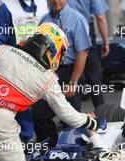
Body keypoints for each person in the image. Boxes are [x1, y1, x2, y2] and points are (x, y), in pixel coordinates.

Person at [0, 22, 100, 161]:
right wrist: (90, 122)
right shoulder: (48, 79)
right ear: (53, 49)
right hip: (2, 122)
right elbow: (66, 114)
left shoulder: (3, 50)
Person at [32, 0, 92, 147]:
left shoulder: (77, 19)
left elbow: (83, 52)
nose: (56, 1)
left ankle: (70, 158)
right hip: (48, 73)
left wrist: (73, 82)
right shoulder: (44, 21)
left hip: (69, 72)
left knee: (70, 120)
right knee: (39, 115)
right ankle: (49, 153)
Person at [0, 0, 49, 145]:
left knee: (44, 102)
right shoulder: (7, 7)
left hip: (44, 63)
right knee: (23, 101)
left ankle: (45, 136)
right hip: (18, 63)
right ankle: (27, 136)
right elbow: (0, 40)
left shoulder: (44, 2)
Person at [68, 0, 110, 108]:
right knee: (94, 77)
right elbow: (100, 18)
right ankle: (101, 113)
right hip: (86, 31)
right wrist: (106, 41)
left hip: (67, 32)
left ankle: (72, 120)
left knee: (71, 77)